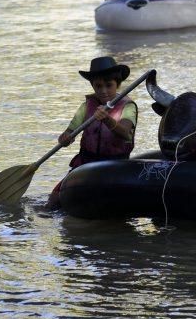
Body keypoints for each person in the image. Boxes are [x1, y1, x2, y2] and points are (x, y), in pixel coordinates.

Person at [45, 56, 138, 209]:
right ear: (93, 86)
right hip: (85, 164)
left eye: (109, 85)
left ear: (118, 84)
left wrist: (107, 119)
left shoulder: (128, 107)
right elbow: (69, 132)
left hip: (115, 165)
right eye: (98, 86)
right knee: (54, 199)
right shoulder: (86, 107)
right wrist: (64, 139)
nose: (104, 91)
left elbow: (125, 132)